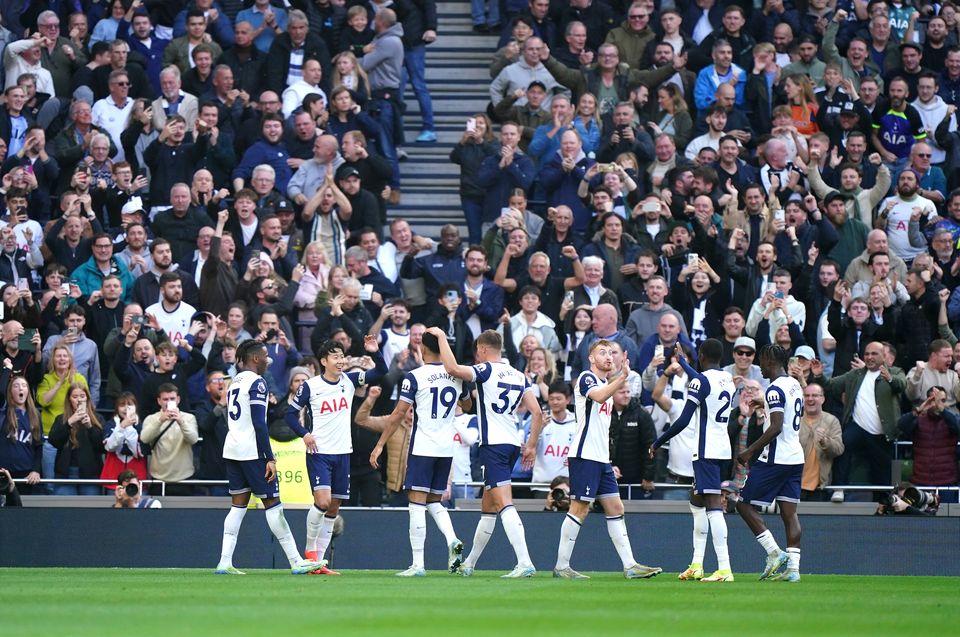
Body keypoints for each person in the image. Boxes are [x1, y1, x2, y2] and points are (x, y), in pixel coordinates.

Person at [430, 328, 543, 577]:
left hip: (493, 446)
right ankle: (469, 563)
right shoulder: (519, 375)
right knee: (488, 508)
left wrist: (440, 337)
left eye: (477, 353)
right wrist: (532, 446)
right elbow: (537, 413)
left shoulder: (485, 370)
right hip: (513, 442)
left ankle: (524, 561)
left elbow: (451, 369)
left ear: (482, 349)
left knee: (504, 504)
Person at [553, 337, 661, 579]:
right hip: (585, 455)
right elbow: (599, 396)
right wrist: (622, 378)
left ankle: (630, 566)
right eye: (602, 352)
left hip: (601, 459)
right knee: (580, 508)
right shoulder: (587, 378)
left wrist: (608, 460)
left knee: (615, 507)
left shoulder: (606, 385)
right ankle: (561, 566)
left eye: (612, 352)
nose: (608, 356)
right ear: (591, 358)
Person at [215, 340, 324, 575]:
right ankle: (296, 561)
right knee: (274, 505)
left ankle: (224, 561)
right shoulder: (257, 382)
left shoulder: (235, 382)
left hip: (233, 449)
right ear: (255, 359)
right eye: (265, 356)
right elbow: (259, 424)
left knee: (237, 507)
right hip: (252, 453)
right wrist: (269, 457)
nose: (268, 360)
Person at [369, 331, 471, 576]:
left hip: (423, 446)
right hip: (446, 448)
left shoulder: (414, 376)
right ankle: (452, 539)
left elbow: (397, 414)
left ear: (423, 349)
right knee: (435, 501)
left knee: (416, 505)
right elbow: (467, 406)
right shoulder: (456, 375)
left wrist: (380, 444)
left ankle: (418, 564)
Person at [284, 335, 386, 573]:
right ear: (323, 360)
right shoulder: (311, 386)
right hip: (320, 452)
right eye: (335, 356)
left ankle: (318, 562)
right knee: (323, 501)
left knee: (333, 508)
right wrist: (304, 434)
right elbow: (290, 414)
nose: (340, 360)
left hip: (343, 453)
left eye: (342, 356)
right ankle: (309, 554)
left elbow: (380, 371)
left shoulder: (350, 380)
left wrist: (374, 351)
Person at [650, 339, 736, 582]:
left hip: (705, 450)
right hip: (721, 448)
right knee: (696, 502)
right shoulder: (727, 379)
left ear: (701, 354)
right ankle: (697, 564)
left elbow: (683, 420)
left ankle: (724, 568)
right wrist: (685, 364)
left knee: (712, 505)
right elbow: (702, 381)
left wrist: (658, 442)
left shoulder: (700, 381)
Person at [735, 344, 804, 583]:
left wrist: (749, 451)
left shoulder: (774, 389)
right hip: (796, 456)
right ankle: (794, 569)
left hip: (776, 457)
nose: (760, 367)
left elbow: (775, 427)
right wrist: (763, 404)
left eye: (761, 361)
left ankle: (774, 553)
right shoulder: (795, 384)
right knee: (789, 513)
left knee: (743, 505)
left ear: (769, 360)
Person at [140, 384, 199, 496]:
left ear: (178, 400)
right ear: (159, 401)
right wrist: (160, 420)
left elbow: (193, 439)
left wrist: (181, 422)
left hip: (184, 477)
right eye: (165, 399)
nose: (168, 402)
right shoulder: (151, 419)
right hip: (159, 478)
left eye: (172, 399)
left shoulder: (189, 418)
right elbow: (144, 438)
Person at [47, 383, 103, 496]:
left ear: (87, 398)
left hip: (90, 474)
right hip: (66, 474)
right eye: (75, 396)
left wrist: (90, 428)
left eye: (82, 396)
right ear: (69, 399)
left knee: (91, 509)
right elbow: (54, 441)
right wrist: (68, 423)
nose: (79, 400)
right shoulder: (61, 419)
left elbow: (102, 446)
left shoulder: (98, 418)